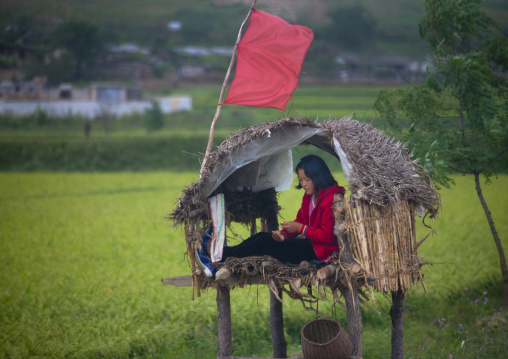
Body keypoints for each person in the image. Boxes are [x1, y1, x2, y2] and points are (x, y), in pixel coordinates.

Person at [195, 155, 346, 277]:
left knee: (264, 244)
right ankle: (219, 255)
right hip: (310, 245)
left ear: (319, 177)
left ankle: (217, 259)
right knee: (261, 237)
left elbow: (327, 237)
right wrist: (284, 235)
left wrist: (301, 228)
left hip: (321, 254)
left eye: (307, 179)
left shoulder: (330, 199)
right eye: (301, 180)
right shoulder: (309, 196)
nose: (304, 184)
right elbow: (301, 220)